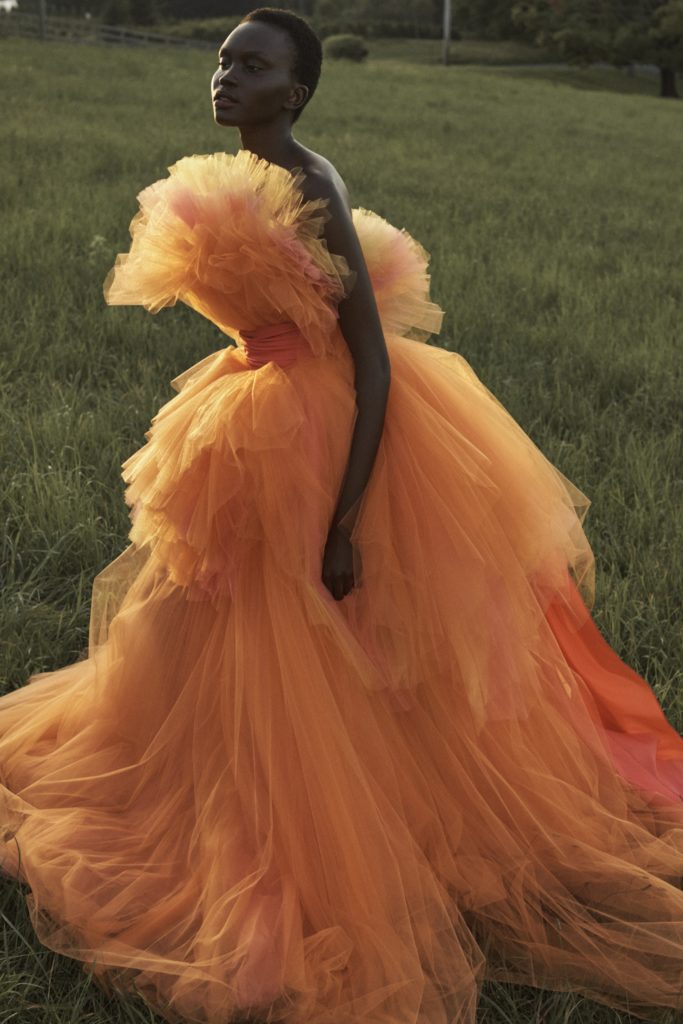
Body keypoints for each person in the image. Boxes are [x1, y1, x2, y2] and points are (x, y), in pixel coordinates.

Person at [0, 7, 681, 1024]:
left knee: (320, 634)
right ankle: (217, 776)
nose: (226, 76)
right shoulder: (239, 171)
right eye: (223, 58)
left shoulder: (313, 184)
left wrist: (346, 520)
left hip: (324, 434)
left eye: (252, 65)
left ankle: (338, 818)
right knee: (218, 621)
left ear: (295, 93)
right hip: (254, 409)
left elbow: (367, 356)